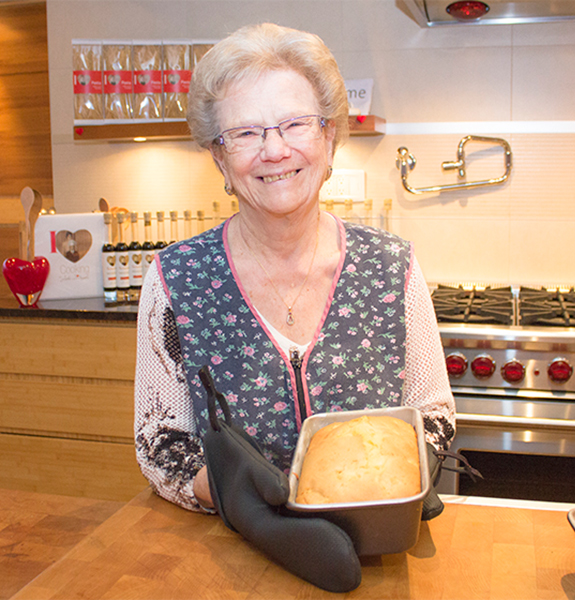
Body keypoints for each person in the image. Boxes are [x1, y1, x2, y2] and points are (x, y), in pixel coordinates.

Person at [134, 22, 455, 514]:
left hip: (379, 549)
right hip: (230, 559)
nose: (275, 150)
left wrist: (399, 489)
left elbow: (432, 412)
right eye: (244, 132)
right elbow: (162, 442)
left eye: (295, 124)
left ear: (330, 137)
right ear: (219, 158)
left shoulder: (393, 268)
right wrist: (244, 504)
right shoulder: (176, 280)